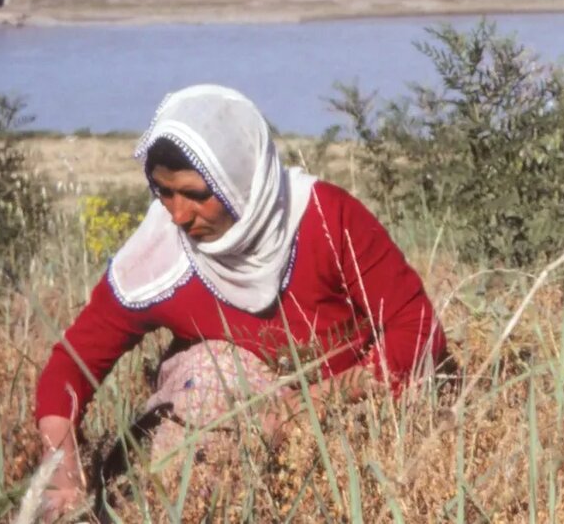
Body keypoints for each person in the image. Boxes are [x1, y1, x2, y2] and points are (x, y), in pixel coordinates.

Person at [34, 85, 446, 519]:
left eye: (194, 194)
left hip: (343, 422)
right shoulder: (159, 257)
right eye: (162, 192)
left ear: (240, 180)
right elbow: (70, 367)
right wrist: (61, 473)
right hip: (210, 445)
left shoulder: (324, 218)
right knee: (214, 371)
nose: (177, 214)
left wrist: (317, 402)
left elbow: (417, 327)